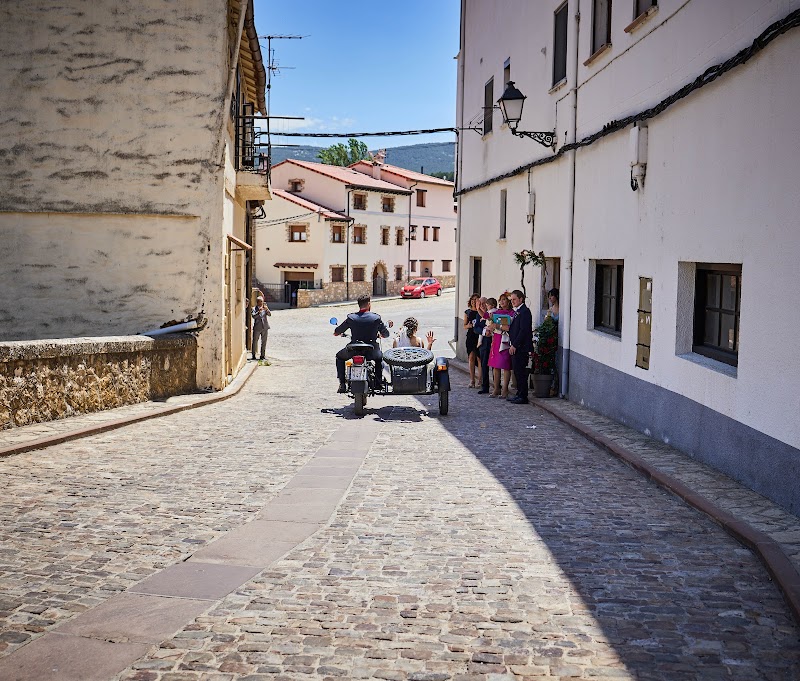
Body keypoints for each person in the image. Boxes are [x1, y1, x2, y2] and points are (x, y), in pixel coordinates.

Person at [333, 294, 392, 393]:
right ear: (368, 304)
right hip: (371, 350)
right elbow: (386, 334)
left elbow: (337, 331)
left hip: (354, 349)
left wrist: (337, 333)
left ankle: (342, 384)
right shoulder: (376, 318)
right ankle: (378, 384)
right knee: (379, 359)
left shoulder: (351, 317)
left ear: (359, 305)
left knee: (339, 357)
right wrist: (381, 334)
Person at [507, 289, 533, 404]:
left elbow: (523, 330)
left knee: (521, 372)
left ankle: (523, 396)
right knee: (517, 371)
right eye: (511, 299)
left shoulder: (524, 312)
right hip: (516, 345)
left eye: (514, 299)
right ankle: (519, 393)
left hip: (521, 347)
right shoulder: (517, 311)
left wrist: (515, 345)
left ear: (521, 299)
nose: (512, 301)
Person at [487, 293, 515, 398]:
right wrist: (491, 325)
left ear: (508, 301)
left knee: (506, 365)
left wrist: (497, 326)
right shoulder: (496, 313)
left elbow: (509, 327)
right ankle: (496, 388)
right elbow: (490, 323)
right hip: (497, 339)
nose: (502, 302)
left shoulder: (512, 313)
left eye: (504, 299)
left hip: (506, 340)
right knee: (496, 365)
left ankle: (505, 389)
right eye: (501, 300)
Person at [477, 297, 496, 394]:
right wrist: (484, 332)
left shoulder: (493, 312)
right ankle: (485, 386)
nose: (483, 306)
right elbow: (476, 328)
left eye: (485, 304)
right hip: (485, 340)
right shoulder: (480, 314)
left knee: (494, 365)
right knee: (484, 364)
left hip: (493, 339)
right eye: (481, 304)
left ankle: (496, 386)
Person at [463, 294, 481, 387]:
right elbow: (464, 325)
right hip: (471, 336)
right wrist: (469, 326)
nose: (474, 301)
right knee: (471, 357)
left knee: (479, 358)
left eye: (476, 299)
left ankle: (480, 380)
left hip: (479, 336)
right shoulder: (468, 312)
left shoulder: (481, 311)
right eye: (472, 299)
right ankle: (472, 380)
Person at [251, 296, 271, 360]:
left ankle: (262, 355)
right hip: (257, 328)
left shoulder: (264, 308)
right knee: (255, 341)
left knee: (264, 342)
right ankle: (253, 355)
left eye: (262, 301)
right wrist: (258, 312)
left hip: (265, 327)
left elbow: (269, 314)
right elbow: (253, 316)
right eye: (260, 301)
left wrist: (267, 309)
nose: (261, 303)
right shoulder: (254, 308)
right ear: (257, 302)